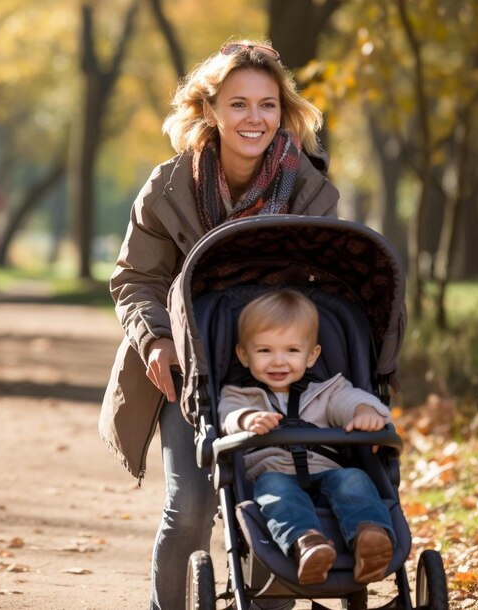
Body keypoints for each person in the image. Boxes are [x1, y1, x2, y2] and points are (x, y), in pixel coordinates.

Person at [100, 39, 340, 610]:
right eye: (238, 104)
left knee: (276, 496)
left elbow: (327, 290)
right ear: (210, 110)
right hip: (189, 368)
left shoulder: (310, 191)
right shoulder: (168, 187)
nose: (254, 118)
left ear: (283, 112)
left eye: (267, 105)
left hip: (277, 369)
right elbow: (135, 276)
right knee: (189, 508)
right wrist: (156, 340)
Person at [218, 289, 395, 586]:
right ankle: (307, 543)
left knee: (354, 478)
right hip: (273, 473)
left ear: (312, 355)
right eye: (264, 351)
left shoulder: (328, 392)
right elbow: (228, 415)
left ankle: (370, 537)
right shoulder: (239, 396)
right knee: (274, 489)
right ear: (243, 355)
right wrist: (247, 419)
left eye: (291, 350)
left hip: (326, 471)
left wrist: (365, 412)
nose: (278, 361)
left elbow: (351, 402)